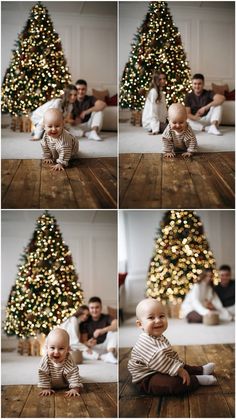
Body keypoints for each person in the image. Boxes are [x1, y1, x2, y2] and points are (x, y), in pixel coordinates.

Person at [128, 298, 217, 396]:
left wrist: (179, 366)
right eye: (151, 318)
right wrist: (178, 370)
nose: (158, 320)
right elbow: (159, 360)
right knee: (174, 384)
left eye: (161, 316)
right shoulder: (144, 342)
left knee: (181, 365)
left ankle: (201, 370)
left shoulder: (158, 337)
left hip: (160, 367)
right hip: (146, 378)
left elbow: (168, 355)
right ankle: (196, 380)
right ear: (140, 324)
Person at [38, 328, 83, 397]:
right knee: (43, 372)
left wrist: (75, 388)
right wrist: (46, 388)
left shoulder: (68, 360)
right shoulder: (45, 360)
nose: (56, 352)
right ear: (47, 348)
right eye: (52, 348)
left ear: (68, 349)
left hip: (66, 383)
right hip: (50, 383)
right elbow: (43, 373)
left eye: (61, 348)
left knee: (77, 377)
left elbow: (73, 373)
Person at [80, 296, 117, 364]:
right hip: (94, 349)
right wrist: (88, 343)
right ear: (89, 309)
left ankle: (110, 354)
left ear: (101, 308)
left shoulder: (106, 317)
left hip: (108, 347)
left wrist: (102, 330)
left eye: (97, 307)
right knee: (81, 352)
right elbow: (83, 341)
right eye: (92, 308)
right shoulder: (84, 322)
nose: (94, 310)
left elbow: (116, 324)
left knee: (114, 333)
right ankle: (104, 357)